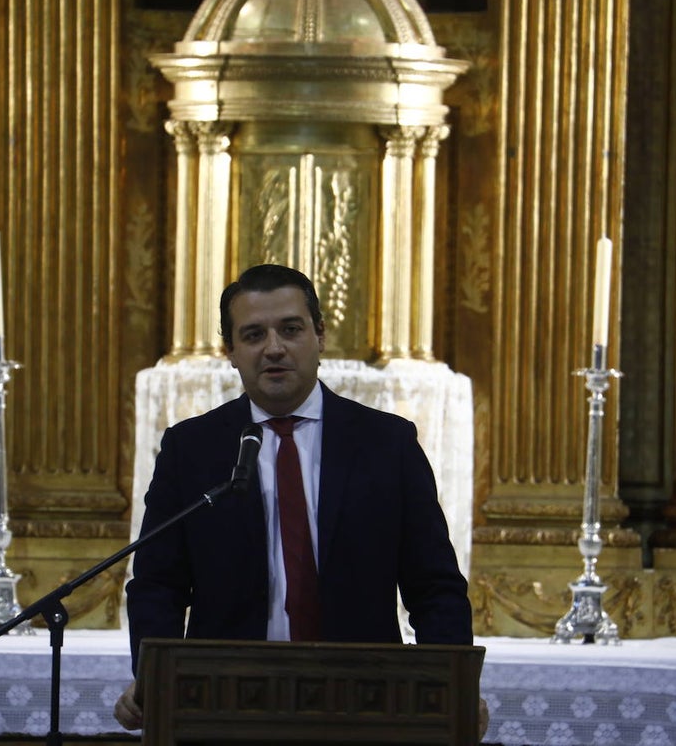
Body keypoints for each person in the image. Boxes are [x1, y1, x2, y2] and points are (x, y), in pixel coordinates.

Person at [114, 264, 473, 731]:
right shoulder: (192, 449)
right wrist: (153, 679)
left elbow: (435, 589)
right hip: (224, 702)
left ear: (319, 336)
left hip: (365, 700)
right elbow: (157, 585)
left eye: (290, 329)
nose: (274, 348)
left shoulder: (388, 445)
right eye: (253, 335)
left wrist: (452, 690)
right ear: (231, 352)